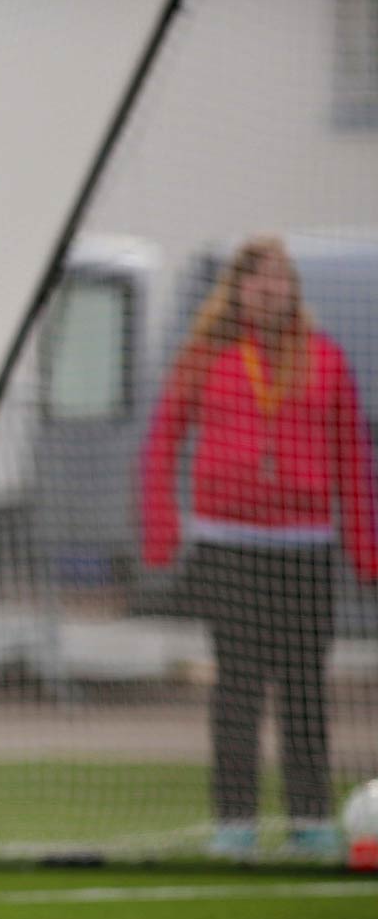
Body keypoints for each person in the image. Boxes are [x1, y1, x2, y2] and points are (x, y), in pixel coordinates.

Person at [140, 235, 377, 861]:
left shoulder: (323, 359)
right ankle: (235, 822)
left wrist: (364, 544)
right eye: (258, 279)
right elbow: (163, 440)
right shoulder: (205, 358)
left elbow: (353, 454)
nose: (270, 290)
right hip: (228, 545)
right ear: (238, 289)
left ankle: (309, 819)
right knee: (238, 687)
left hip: (303, 546)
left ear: (293, 291)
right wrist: (161, 526)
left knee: (304, 685)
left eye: (280, 280)